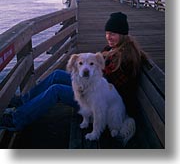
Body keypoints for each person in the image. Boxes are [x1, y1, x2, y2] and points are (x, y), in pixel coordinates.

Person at [0, 12, 147, 134]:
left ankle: (16, 120)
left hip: (101, 103)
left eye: (113, 34)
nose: (109, 37)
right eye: (107, 33)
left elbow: (107, 86)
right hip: (93, 89)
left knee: (56, 90)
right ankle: (24, 101)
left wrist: (81, 83)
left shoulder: (126, 57)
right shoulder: (113, 49)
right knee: (57, 75)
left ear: (123, 35)